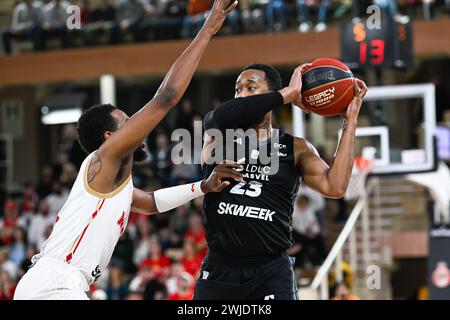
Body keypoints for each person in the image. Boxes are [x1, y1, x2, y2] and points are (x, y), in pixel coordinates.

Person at [13, 0, 239, 300]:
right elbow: (166, 97)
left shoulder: (114, 181)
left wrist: (204, 186)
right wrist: (208, 29)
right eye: (127, 121)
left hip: (59, 284)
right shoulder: (104, 159)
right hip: (55, 283)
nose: (136, 125)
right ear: (110, 137)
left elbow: (151, 203)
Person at [196, 62, 368, 300]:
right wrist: (288, 95)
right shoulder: (216, 133)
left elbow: (335, 186)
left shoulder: (295, 147)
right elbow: (227, 113)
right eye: (238, 89)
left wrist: (350, 124)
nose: (242, 94)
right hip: (220, 268)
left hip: (271, 271)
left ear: (270, 94)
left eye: (250, 87)